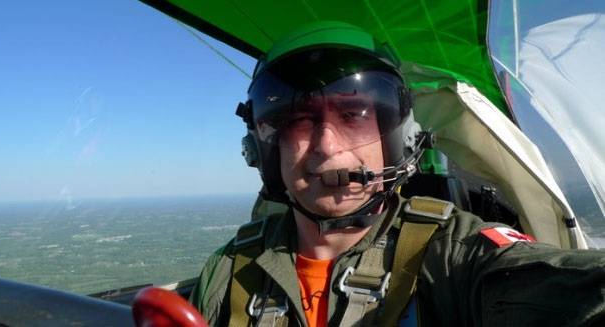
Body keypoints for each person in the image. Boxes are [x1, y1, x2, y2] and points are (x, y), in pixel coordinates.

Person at [189, 21, 605, 326]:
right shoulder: (231, 266)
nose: (327, 147)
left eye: (354, 115)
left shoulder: (453, 254)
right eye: (298, 120)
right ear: (265, 149)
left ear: (399, 138)